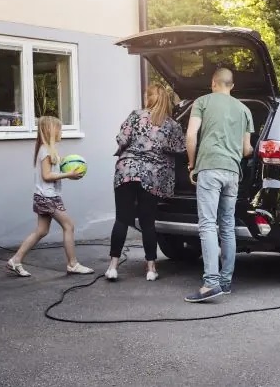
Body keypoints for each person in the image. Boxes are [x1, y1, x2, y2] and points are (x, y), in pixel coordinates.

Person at [184, 68, 253, 303]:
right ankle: (225, 282)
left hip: (210, 168)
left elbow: (191, 135)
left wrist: (192, 164)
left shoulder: (202, 101)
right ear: (231, 86)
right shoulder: (244, 110)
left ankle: (211, 283)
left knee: (207, 225)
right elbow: (247, 150)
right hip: (232, 172)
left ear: (213, 83)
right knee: (227, 227)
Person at [106, 83, 185, 282]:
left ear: (149, 98)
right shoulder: (171, 124)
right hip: (151, 176)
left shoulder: (135, 115)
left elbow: (121, 139)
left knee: (122, 219)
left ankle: (113, 267)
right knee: (147, 222)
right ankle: (151, 269)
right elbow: (180, 149)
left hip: (126, 171)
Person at [6, 116, 94, 277]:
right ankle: (72, 264)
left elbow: (51, 174)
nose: (61, 132)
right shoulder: (45, 150)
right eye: (59, 129)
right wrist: (68, 174)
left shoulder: (47, 149)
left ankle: (15, 260)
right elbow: (46, 175)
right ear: (50, 131)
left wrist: (68, 175)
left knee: (41, 230)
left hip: (44, 196)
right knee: (69, 226)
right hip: (48, 197)